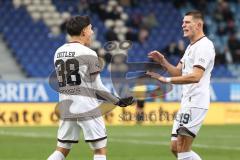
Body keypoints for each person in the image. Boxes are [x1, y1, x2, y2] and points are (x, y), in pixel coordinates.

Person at [47, 16, 134, 160]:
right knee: (100, 150)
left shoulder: (58, 52)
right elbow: (97, 87)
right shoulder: (89, 53)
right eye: (90, 29)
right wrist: (117, 101)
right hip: (86, 107)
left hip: (66, 106)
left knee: (62, 149)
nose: (92, 32)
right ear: (83, 32)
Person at [146, 11, 215, 160]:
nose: (183, 25)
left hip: (196, 102)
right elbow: (178, 73)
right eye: (183, 22)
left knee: (183, 148)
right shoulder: (191, 47)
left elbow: (196, 76)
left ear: (198, 25)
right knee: (175, 147)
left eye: (187, 22)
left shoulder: (204, 46)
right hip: (187, 102)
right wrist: (163, 61)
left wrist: (166, 81)